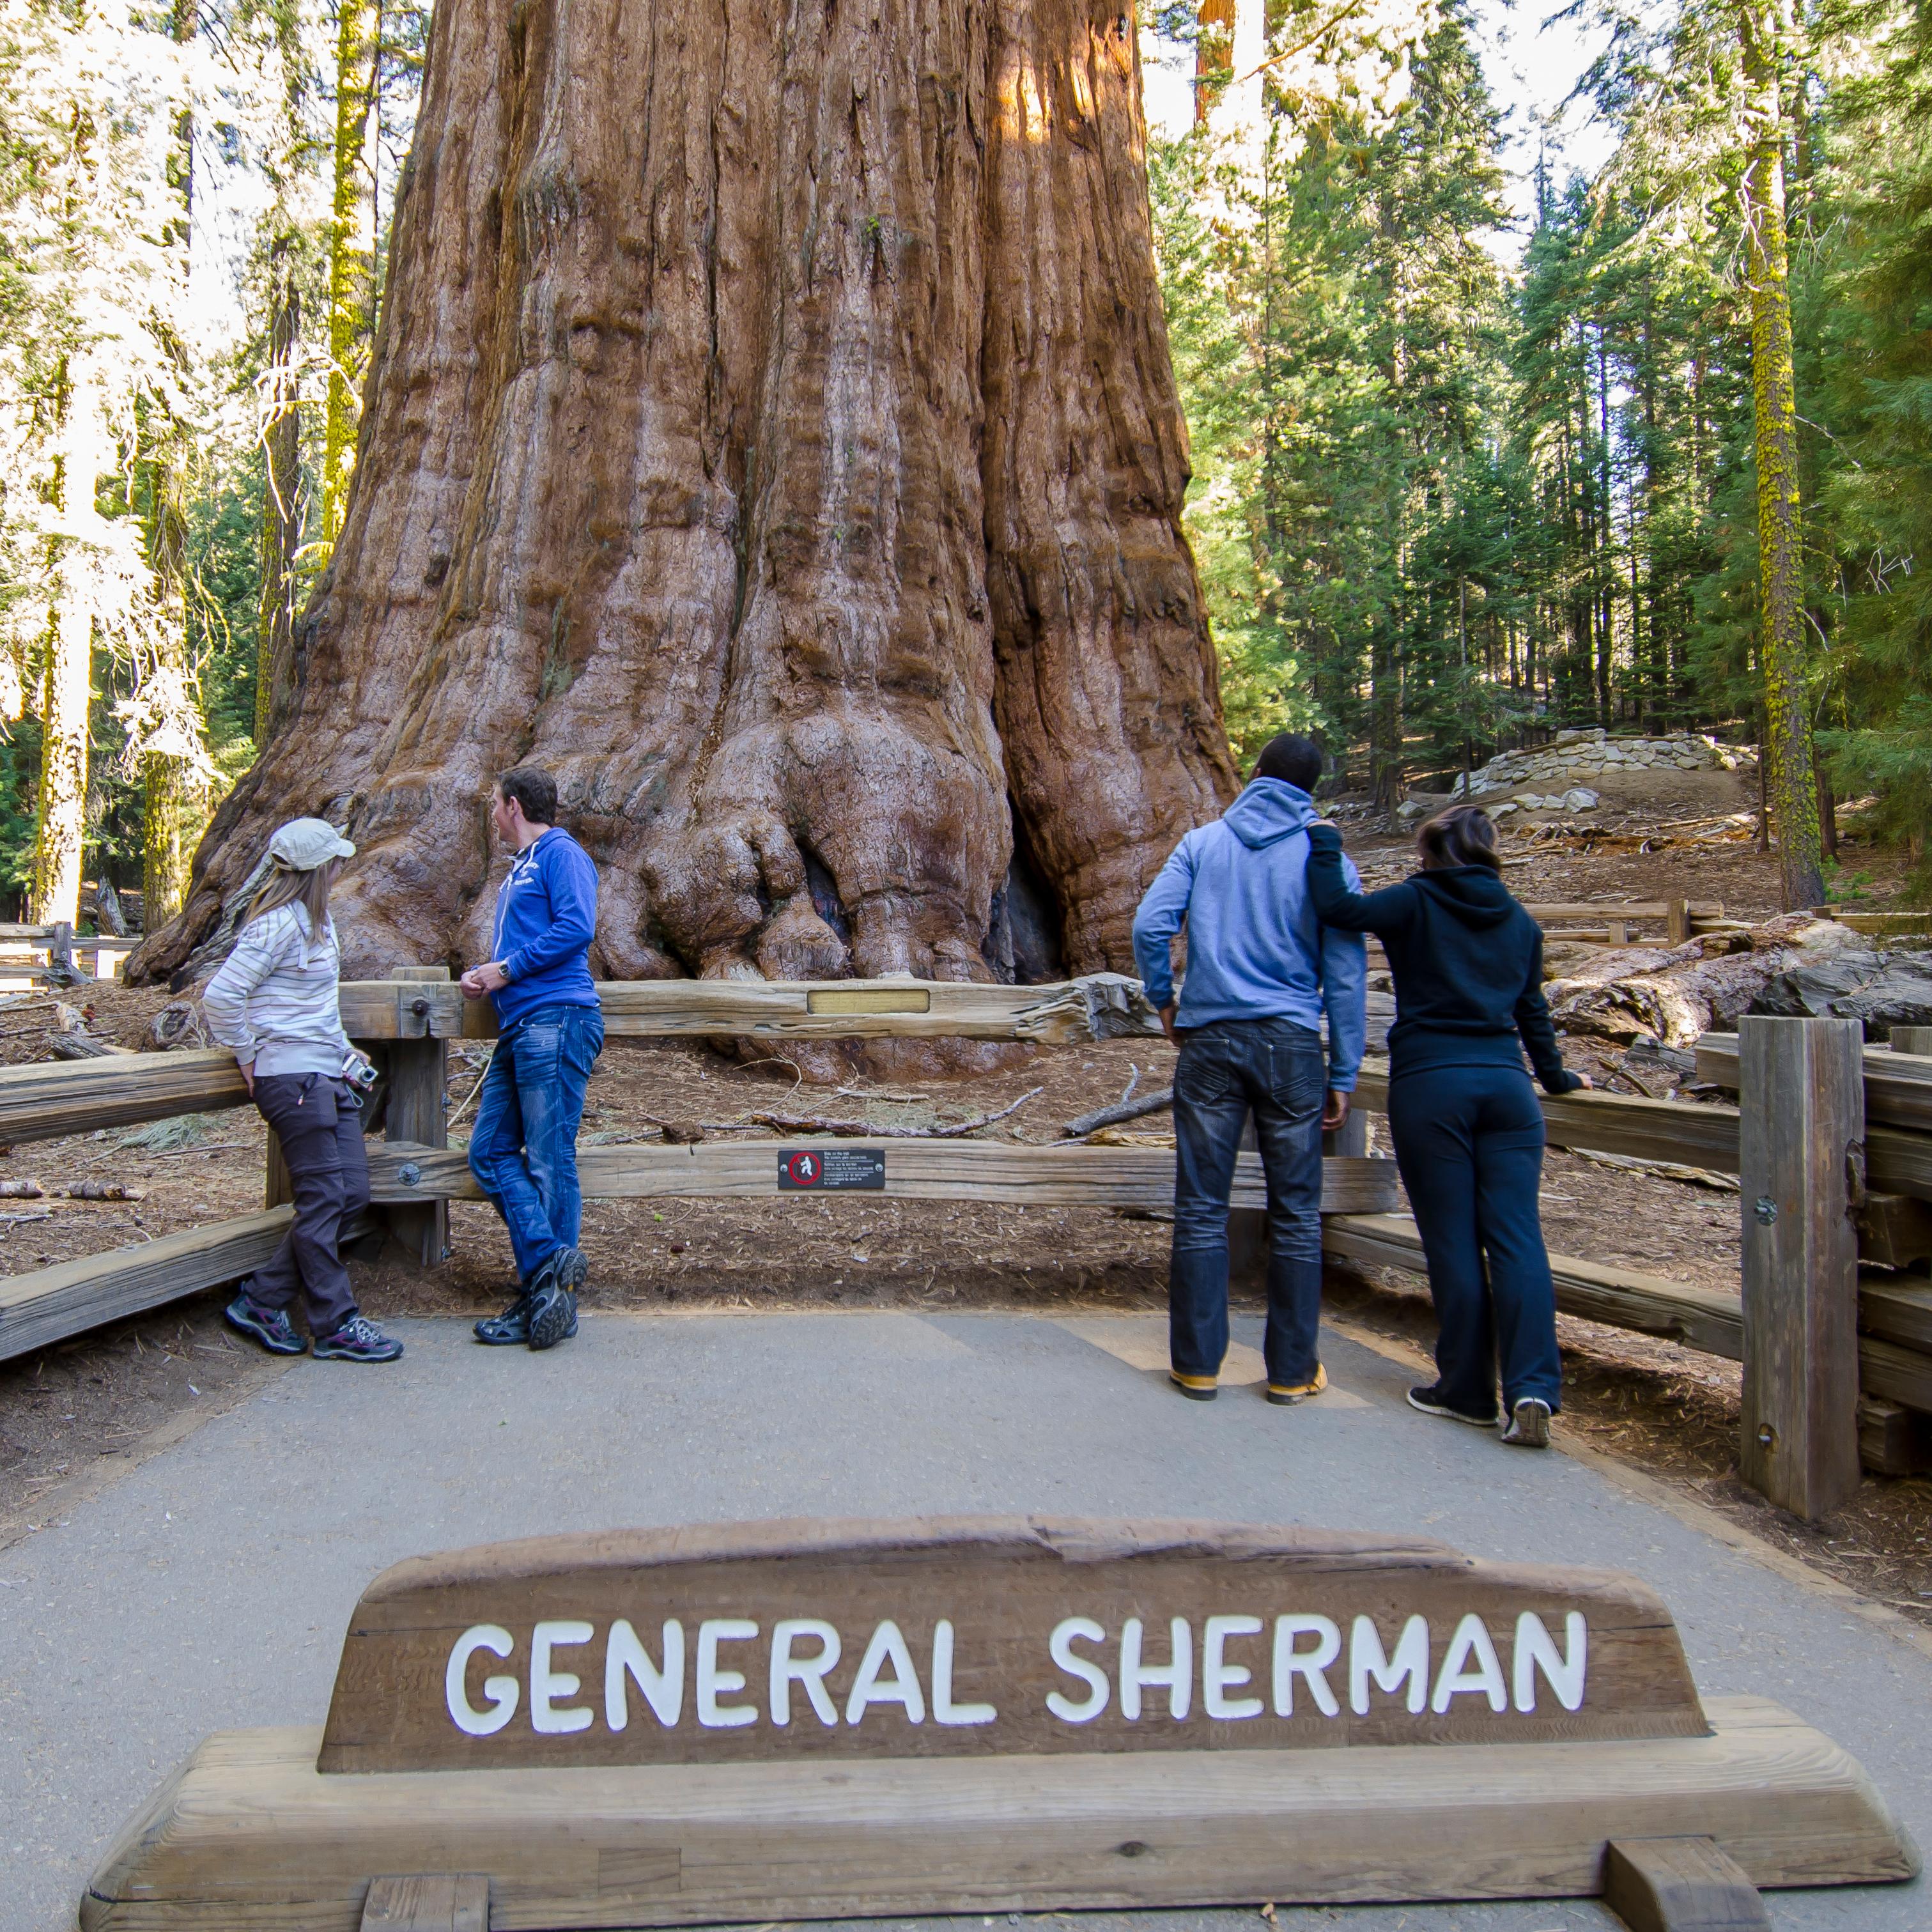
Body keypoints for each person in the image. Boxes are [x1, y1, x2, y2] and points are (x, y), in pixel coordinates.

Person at [1304, 803, 1591, 1449]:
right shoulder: (1519, 922)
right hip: (1507, 1089)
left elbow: (1338, 909)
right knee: (1518, 1238)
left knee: (1453, 1240)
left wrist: (1325, 843)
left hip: (1432, 1084)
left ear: (1431, 853)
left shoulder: (1413, 901)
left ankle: (1465, 1389)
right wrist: (1557, 1078)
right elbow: (1531, 1011)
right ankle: (1533, 1386)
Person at [1131, 734, 1367, 1406]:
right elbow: (1345, 973)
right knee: (1295, 1213)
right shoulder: (1327, 859)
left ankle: (1197, 1365)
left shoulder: (1202, 845)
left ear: (1255, 774)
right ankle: (1292, 1372)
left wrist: (1163, 999)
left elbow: (1151, 924)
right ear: (1309, 792)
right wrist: (1343, 1068)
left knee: (1200, 1205)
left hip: (1208, 1040)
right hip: (1291, 1045)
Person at [203, 819, 404, 1363]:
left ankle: (262, 1300)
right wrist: (248, 1053)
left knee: (351, 1194)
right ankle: (336, 1322)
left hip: (324, 1073)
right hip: (291, 1078)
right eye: (335, 861)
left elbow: (315, 1007)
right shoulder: (275, 926)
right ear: (318, 869)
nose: (342, 867)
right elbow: (221, 997)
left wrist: (342, 1049)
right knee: (322, 1200)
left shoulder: (319, 922)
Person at [463, 766, 603, 1350]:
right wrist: (487, 975)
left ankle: (546, 1303)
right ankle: (550, 1268)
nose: (492, 814)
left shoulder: (560, 854)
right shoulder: (520, 868)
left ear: (513, 806)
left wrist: (507, 969)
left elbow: (578, 927)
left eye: (494, 804)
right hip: (522, 1024)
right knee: (489, 1151)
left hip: (558, 1019)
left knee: (548, 1160)